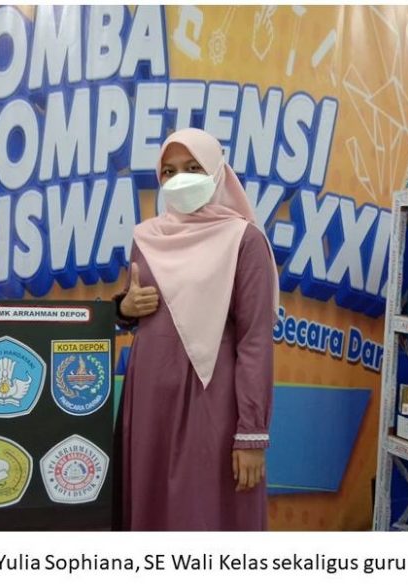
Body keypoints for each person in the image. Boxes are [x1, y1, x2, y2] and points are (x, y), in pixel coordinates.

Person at [116, 128, 279, 530]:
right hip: (150, 399)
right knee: (151, 507)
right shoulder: (147, 237)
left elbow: (255, 342)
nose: (180, 179)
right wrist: (124, 308)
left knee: (206, 510)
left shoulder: (244, 240)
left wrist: (251, 434)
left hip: (211, 402)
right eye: (169, 171)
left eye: (193, 167)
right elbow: (139, 304)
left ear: (216, 171)